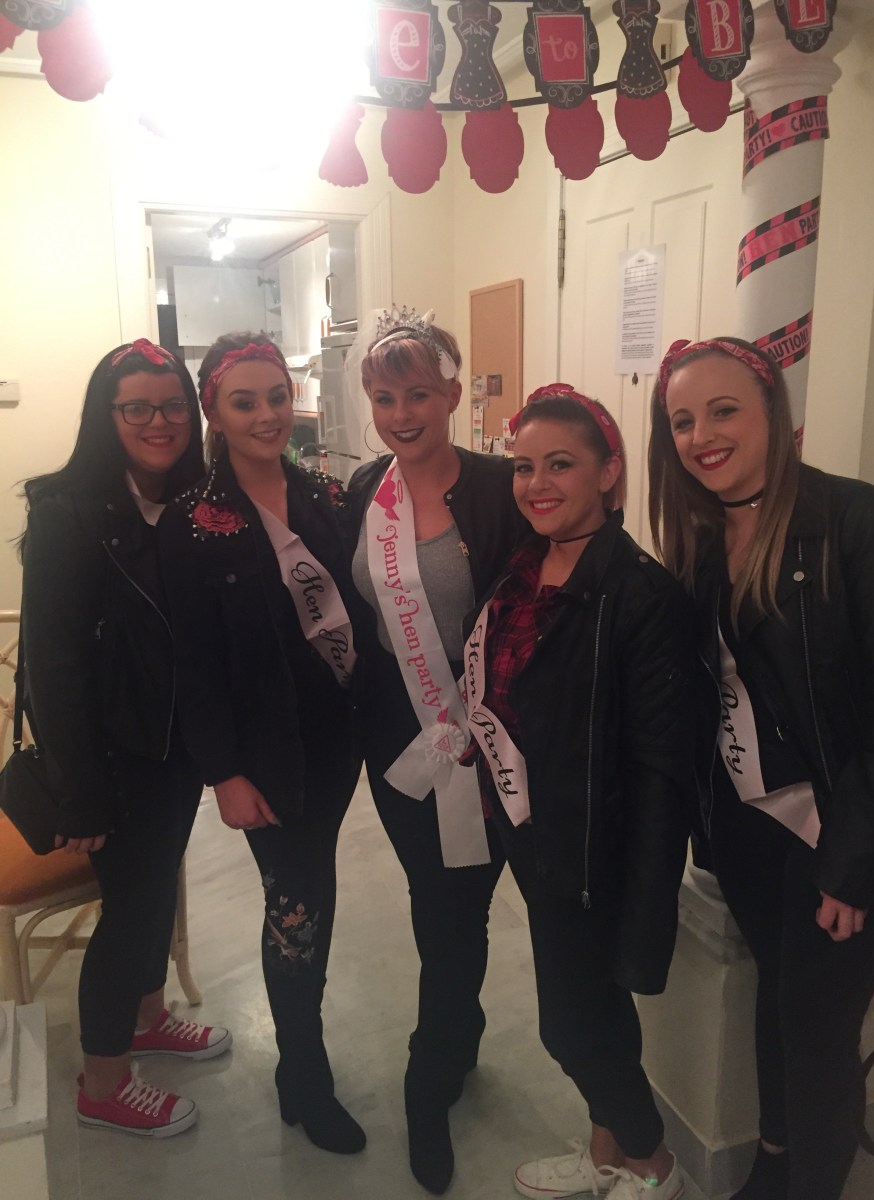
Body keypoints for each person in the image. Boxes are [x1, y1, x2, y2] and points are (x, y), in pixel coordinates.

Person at [647, 337, 874, 1200]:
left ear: (771, 412)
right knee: (777, 1003)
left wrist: (853, 863)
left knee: (817, 1032)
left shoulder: (853, 518)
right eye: (682, 421)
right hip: (752, 832)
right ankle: (774, 1162)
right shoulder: (696, 534)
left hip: (846, 834)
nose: (701, 436)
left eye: (723, 411)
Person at [461, 384, 694, 1200]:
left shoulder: (641, 595)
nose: (536, 484)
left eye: (559, 464)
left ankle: (653, 1166)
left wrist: (648, 895)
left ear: (608, 471)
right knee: (598, 1013)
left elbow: (662, 768)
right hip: (532, 830)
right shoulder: (521, 566)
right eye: (523, 466)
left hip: (595, 847)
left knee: (569, 1026)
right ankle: (606, 1153)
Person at [157, 332, 365, 1154]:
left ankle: (299, 1069)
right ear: (214, 411)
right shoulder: (190, 524)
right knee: (296, 903)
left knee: (314, 888)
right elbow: (193, 663)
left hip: (335, 743)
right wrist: (224, 774)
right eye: (244, 402)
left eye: (276, 396)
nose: (267, 415)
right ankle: (304, 1071)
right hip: (265, 756)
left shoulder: (326, 494)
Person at [20, 339, 231, 1138]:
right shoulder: (68, 511)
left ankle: (147, 1016)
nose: (158, 421)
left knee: (156, 894)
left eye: (172, 405)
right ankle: (104, 1083)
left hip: (172, 749)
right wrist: (81, 790)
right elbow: (52, 663)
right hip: (112, 758)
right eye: (136, 407)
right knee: (134, 912)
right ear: (105, 416)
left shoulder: (190, 503)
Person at [347, 307, 526, 1194]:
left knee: (463, 904)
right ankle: (453, 1041)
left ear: (453, 395)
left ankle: (433, 1068)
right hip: (400, 741)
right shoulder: (363, 490)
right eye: (384, 399)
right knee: (437, 897)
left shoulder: (500, 489)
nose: (400, 414)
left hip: (490, 735)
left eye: (417, 394)